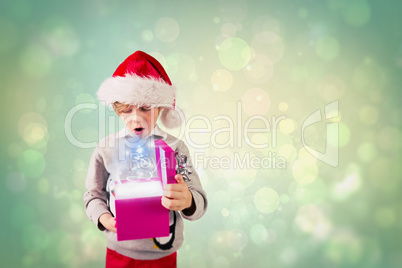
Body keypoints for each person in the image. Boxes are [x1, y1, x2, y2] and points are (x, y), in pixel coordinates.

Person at [83, 51, 208, 268]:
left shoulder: (176, 148)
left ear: (161, 107)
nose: (136, 118)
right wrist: (104, 219)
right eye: (127, 110)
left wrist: (187, 200)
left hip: (163, 255)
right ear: (117, 109)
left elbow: (199, 201)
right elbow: (93, 195)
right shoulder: (106, 148)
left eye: (145, 108)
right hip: (119, 254)